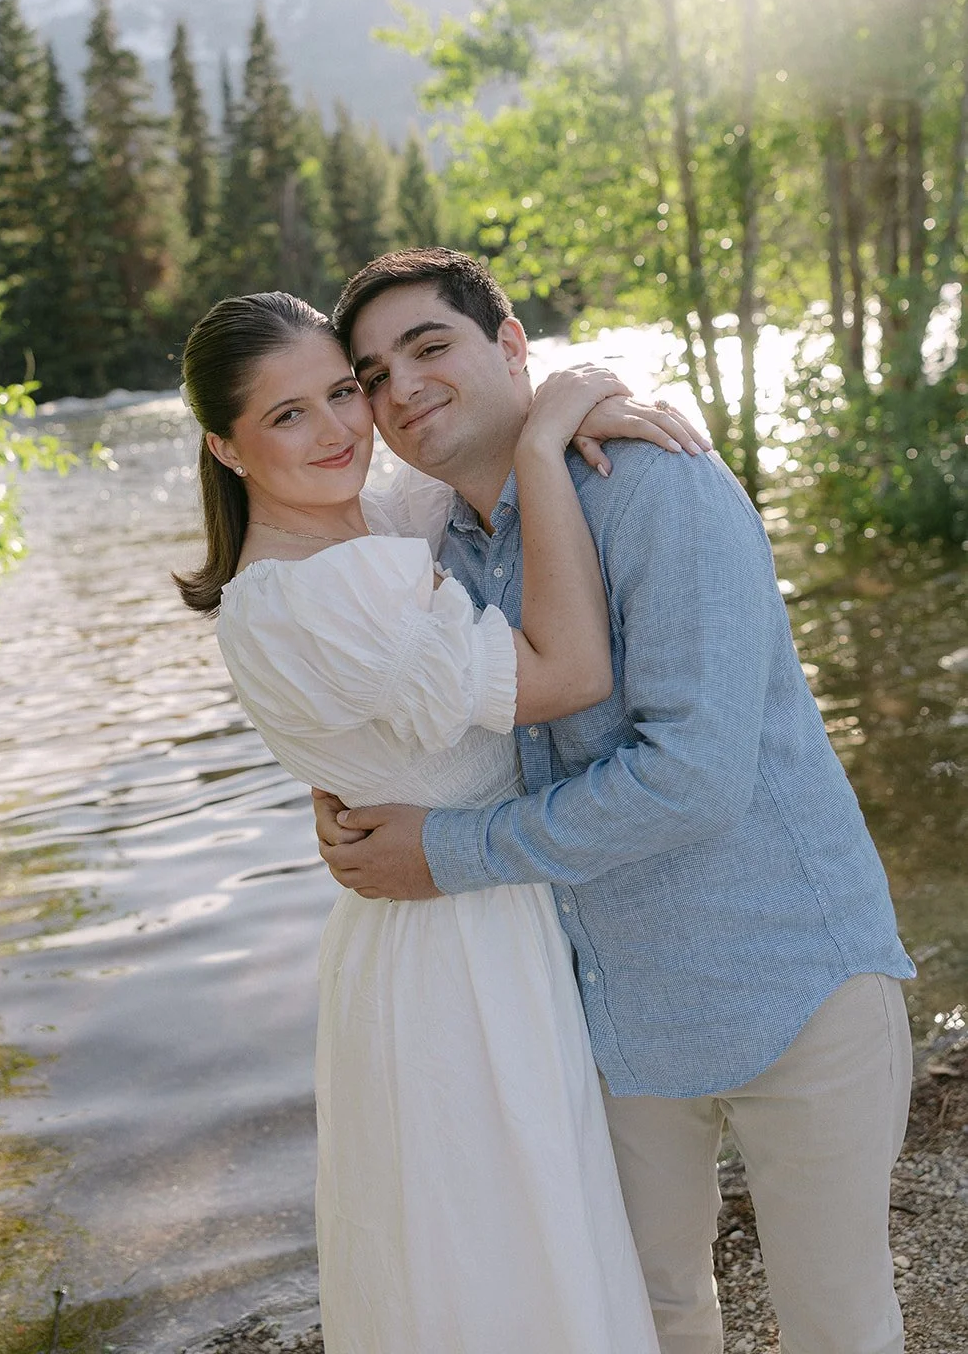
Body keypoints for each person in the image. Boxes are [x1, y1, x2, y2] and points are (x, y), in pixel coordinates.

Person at [314, 248, 917, 1354]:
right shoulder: (429, 539)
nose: (399, 389)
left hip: (791, 984)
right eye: (370, 373)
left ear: (509, 347)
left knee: (838, 1325)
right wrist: (341, 785)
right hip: (608, 1019)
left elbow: (689, 777)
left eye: (429, 347)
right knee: (646, 1317)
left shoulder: (654, 483)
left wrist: (444, 852)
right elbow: (344, 638)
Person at [174, 289, 705, 1354]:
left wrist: (571, 400)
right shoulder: (313, 590)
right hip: (459, 951)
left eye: (342, 391)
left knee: (525, 1245)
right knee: (506, 1261)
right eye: (287, 416)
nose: (335, 431)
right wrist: (550, 443)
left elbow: (472, 482)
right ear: (225, 448)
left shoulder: (376, 530)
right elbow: (568, 671)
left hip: (459, 917)